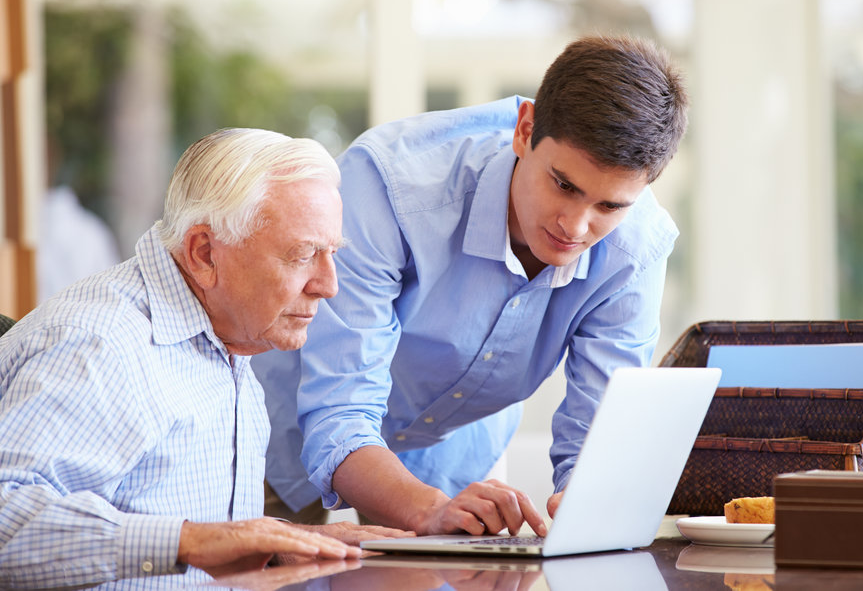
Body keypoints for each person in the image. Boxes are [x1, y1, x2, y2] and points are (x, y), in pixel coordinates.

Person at [253, 34, 688, 536]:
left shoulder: (637, 249)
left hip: (452, 457)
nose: (574, 225)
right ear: (525, 130)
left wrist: (589, 506)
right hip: (284, 435)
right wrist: (424, 509)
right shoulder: (389, 186)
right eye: (563, 185)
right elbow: (340, 413)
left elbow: (600, 431)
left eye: (609, 206)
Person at [0, 128, 407, 590]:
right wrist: (187, 542)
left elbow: (179, 521)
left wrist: (284, 539)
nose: (328, 285)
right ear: (204, 253)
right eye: (302, 255)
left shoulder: (226, 337)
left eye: (331, 254)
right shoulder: (101, 345)